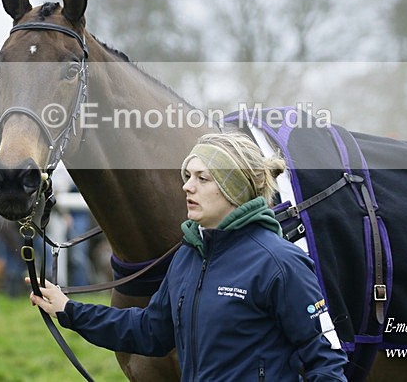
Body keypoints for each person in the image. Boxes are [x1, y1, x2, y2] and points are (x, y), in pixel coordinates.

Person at [27, 132, 348, 381]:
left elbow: (325, 360)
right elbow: (150, 331)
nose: (187, 187)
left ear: (233, 187)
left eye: (202, 178)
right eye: (188, 177)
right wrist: (68, 310)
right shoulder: (188, 257)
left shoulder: (281, 263)